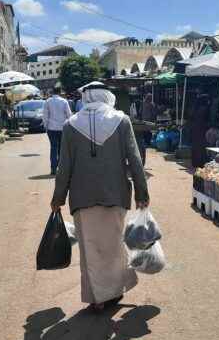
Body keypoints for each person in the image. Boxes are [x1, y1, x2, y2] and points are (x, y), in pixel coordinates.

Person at [51, 82, 149, 312]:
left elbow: (63, 166)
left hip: (82, 197)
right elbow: (135, 159)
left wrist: (58, 198)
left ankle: (98, 298)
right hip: (115, 194)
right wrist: (142, 193)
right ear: (107, 96)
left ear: (85, 98)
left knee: (90, 250)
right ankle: (113, 292)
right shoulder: (121, 121)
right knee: (114, 246)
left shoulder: (70, 125)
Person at [42, 87, 73, 175]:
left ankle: (53, 168)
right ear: (60, 92)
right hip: (62, 128)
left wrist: (46, 126)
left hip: (51, 128)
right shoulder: (64, 101)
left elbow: (45, 115)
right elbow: (69, 115)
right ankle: (61, 167)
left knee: (53, 148)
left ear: (52, 92)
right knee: (61, 148)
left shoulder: (48, 101)